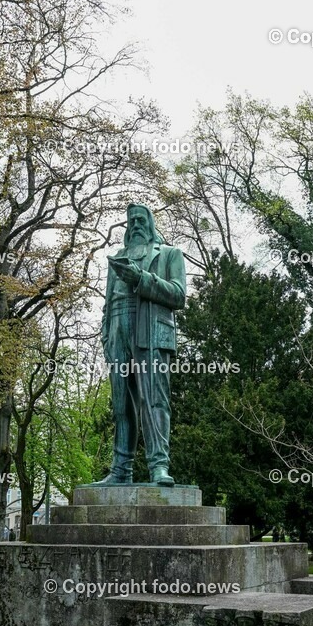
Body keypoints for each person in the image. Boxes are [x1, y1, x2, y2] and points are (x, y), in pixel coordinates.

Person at [99, 203, 187, 486]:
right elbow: (107, 304)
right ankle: (121, 470)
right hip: (118, 332)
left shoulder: (170, 255)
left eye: (141, 220)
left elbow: (178, 295)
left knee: (154, 400)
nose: (136, 224)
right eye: (131, 220)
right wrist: (105, 338)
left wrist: (142, 279)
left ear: (150, 224)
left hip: (151, 333)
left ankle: (159, 466)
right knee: (121, 405)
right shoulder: (117, 259)